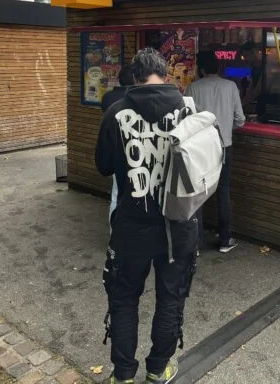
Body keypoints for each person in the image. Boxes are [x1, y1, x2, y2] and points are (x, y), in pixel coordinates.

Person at [95, 48, 198, 384]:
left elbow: (103, 166)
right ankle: (158, 368)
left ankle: (124, 374)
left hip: (131, 225)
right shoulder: (189, 111)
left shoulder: (115, 113)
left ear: (134, 78)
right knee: (171, 297)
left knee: (124, 297)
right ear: (166, 76)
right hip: (177, 225)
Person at [185, 50, 245, 253]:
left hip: (200, 148)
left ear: (201, 69)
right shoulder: (231, 86)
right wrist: (226, 128)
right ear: (218, 67)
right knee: (223, 190)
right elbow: (240, 120)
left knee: (198, 193)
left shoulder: (192, 88)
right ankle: (225, 240)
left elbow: (186, 120)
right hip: (224, 146)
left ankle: (196, 244)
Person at [101, 65, 135, 227]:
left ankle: (114, 232)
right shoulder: (133, 100)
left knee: (116, 194)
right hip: (134, 151)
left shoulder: (108, 97)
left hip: (115, 151)